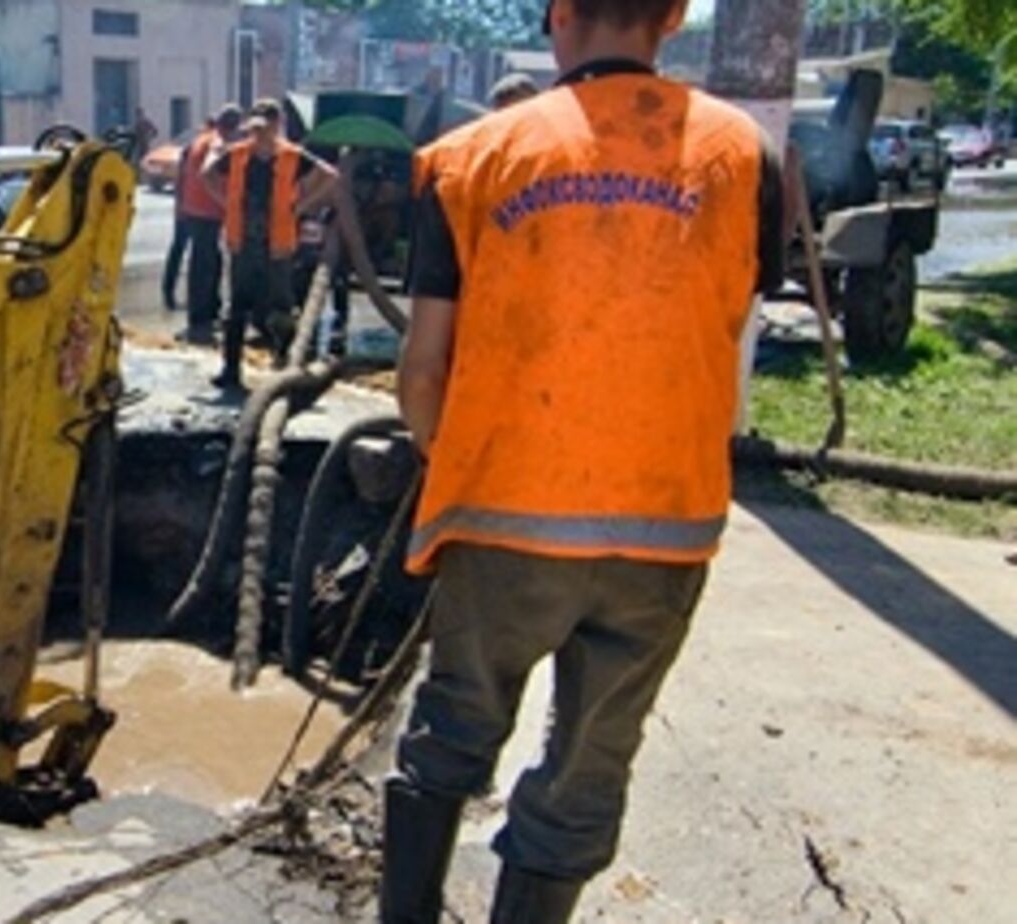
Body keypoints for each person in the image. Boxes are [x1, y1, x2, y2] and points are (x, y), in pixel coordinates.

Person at [386, 0, 785, 921]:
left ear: (560, 16)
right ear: (674, 20)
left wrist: (449, 462)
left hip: (501, 516)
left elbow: (421, 370)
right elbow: (723, 327)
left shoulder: (469, 158)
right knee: (588, 767)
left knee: (451, 734)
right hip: (665, 526)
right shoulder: (745, 157)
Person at [202, 100, 337, 390]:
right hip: (243, 242)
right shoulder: (238, 155)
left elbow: (329, 176)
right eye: (254, 130)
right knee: (236, 308)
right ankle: (230, 370)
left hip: (278, 243)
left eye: (263, 129)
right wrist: (226, 204)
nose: (258, 136)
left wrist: (301, 207)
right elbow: (207, 175)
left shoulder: (292, 156)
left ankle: (285, 365)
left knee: (282, 307)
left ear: (277, 126)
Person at [163, 106, 245, 340]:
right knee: (205, 265)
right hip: (209, 210)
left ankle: (209, 309)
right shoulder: (217, 144)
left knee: (209, 260)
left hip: (194, 208)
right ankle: (201, 318)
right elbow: (208, 172)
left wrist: (180, 205)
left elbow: (182, 174)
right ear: (234, 125)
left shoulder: (199, 140)